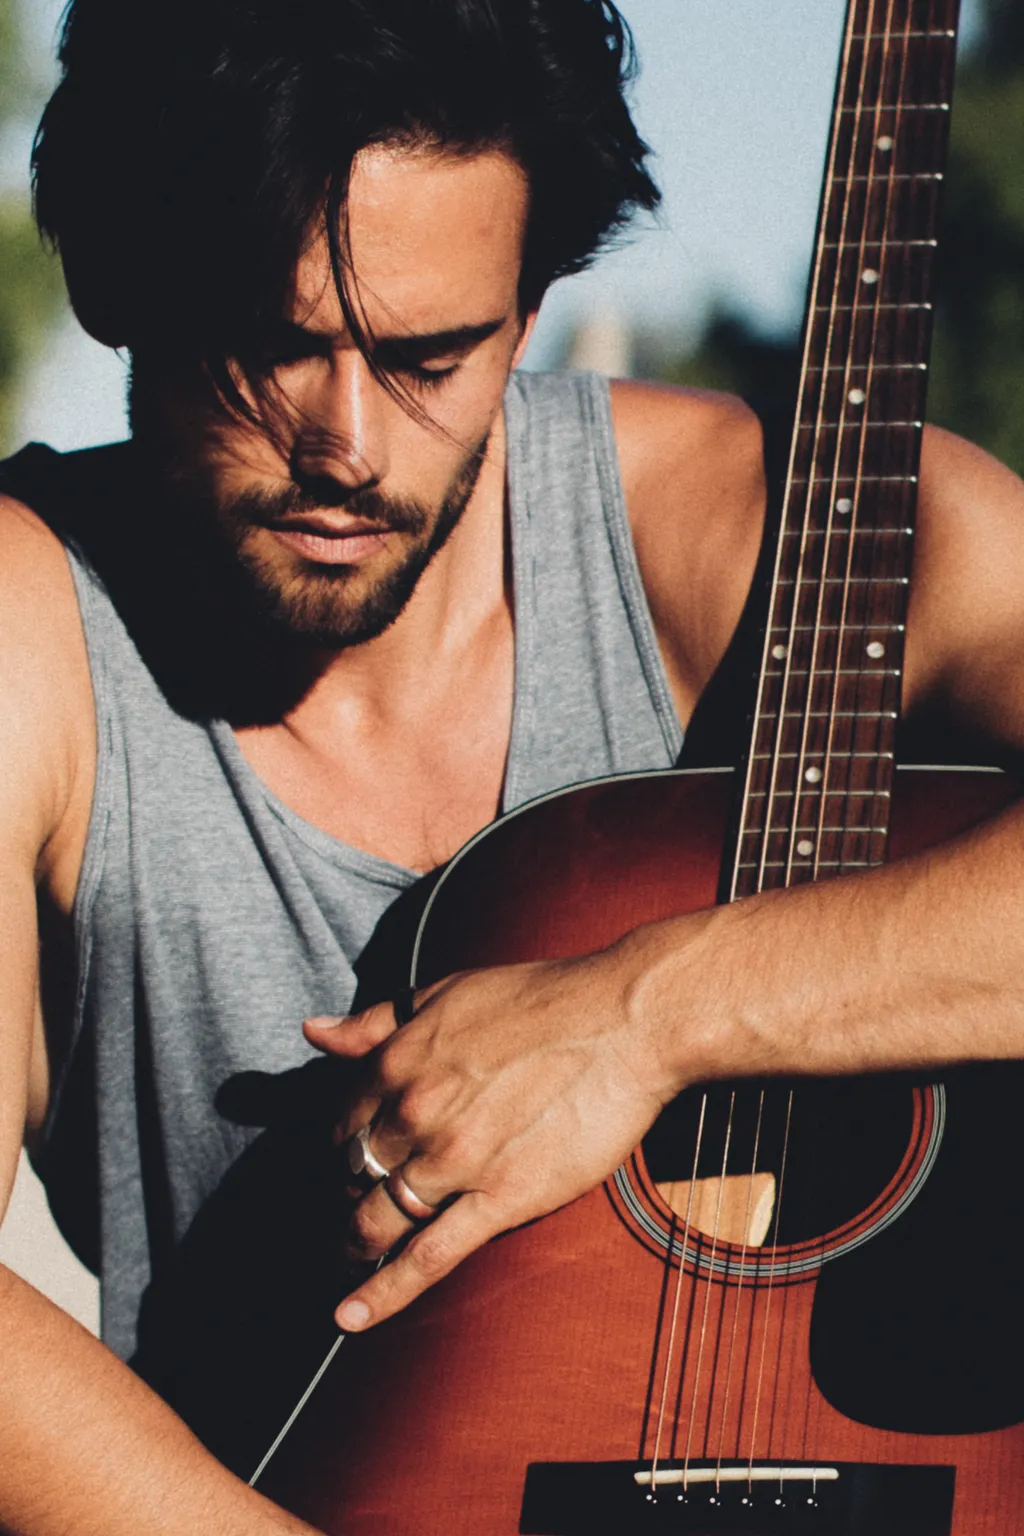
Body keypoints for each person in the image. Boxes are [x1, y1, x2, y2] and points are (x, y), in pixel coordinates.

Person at [2, 0, 1024, 1528]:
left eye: (431, 355)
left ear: (531, 303)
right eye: (278, 346)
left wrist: (642, 1016)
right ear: (114, 280)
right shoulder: (34, 628)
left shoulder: (765, 548)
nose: (348, 443)